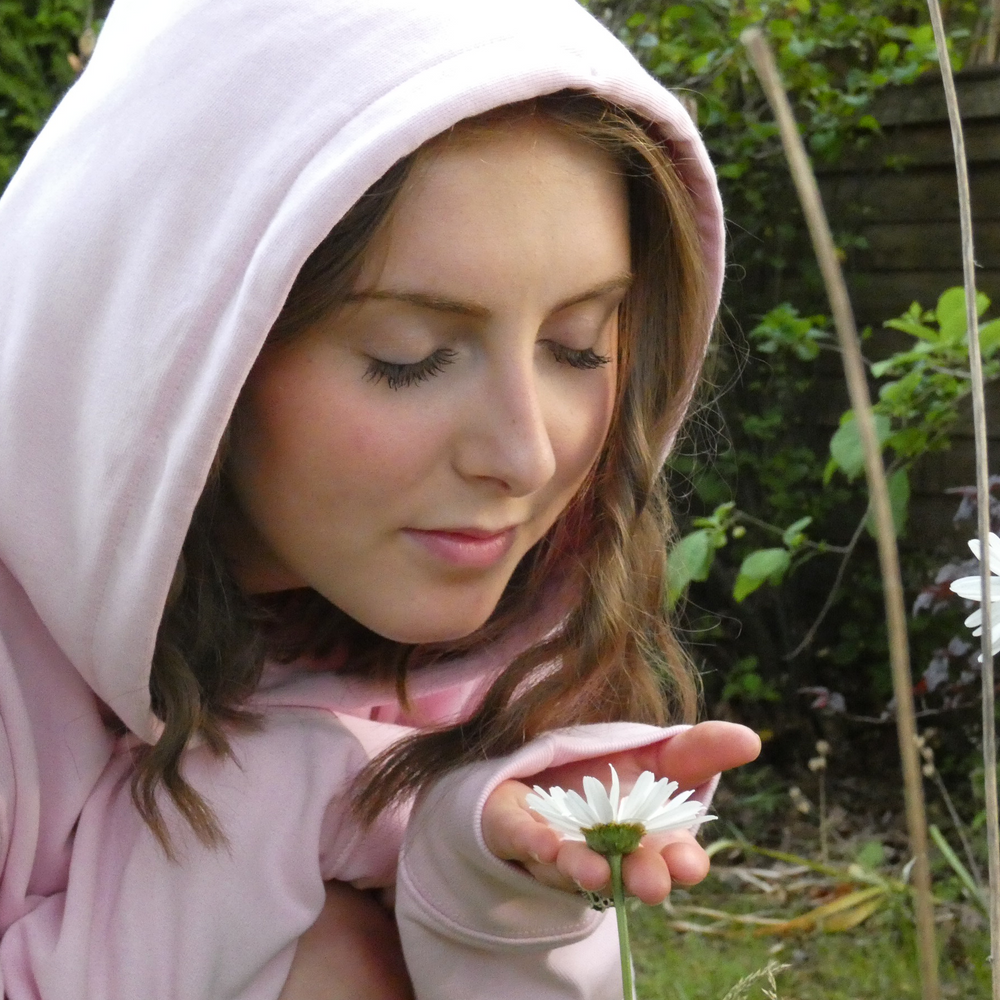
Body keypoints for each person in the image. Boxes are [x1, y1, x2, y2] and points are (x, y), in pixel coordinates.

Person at [0, 0, 760, 997]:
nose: (525, 454)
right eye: (409, 358)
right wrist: (328, 790)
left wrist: (481, 878)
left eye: (579, 343)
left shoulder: (486, 630)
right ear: (185, 347)